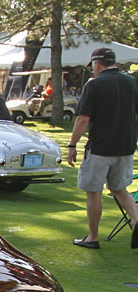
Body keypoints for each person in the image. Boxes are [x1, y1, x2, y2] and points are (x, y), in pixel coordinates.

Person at [67, 47, 138, 249]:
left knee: (93, 191)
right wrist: (133, 139)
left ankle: (92, 237)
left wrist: (72, 145)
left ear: (97, 64)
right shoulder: (133, 83)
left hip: (100, 147)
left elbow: (83, 119)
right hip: (125, 146)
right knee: (119, 188)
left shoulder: (95, 85)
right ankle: (135, 220)